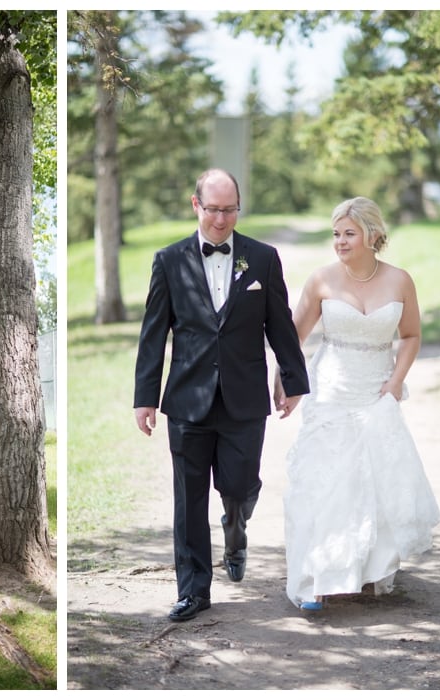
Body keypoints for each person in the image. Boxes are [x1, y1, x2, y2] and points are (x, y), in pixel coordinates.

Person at [133, 169, 310, 622]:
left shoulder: (263, 258)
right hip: (188, 399)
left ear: (238, 208)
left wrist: (292, 379)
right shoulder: (168, 261)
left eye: (230, 210)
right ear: (196, 205)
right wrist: (145, 396)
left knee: (238, 485)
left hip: (245, 398)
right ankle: (193, 591)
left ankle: (236, 526)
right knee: (189, 499)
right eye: (213, 209)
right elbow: (153, 334)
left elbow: (280, 324)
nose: (221, 219)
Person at [280, 197, 440, 611]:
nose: (340, 242)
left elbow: (410, 336)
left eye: (349, 233)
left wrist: (395, 382)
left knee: (372, 480)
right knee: (328, 480)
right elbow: (291, 338)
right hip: (331, 390)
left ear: (372, 234)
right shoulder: (321, 281)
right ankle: (314, 579)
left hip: (376, 390)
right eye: (336, 234)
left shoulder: (400, 281)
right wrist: (281, 377)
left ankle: (365, 570)